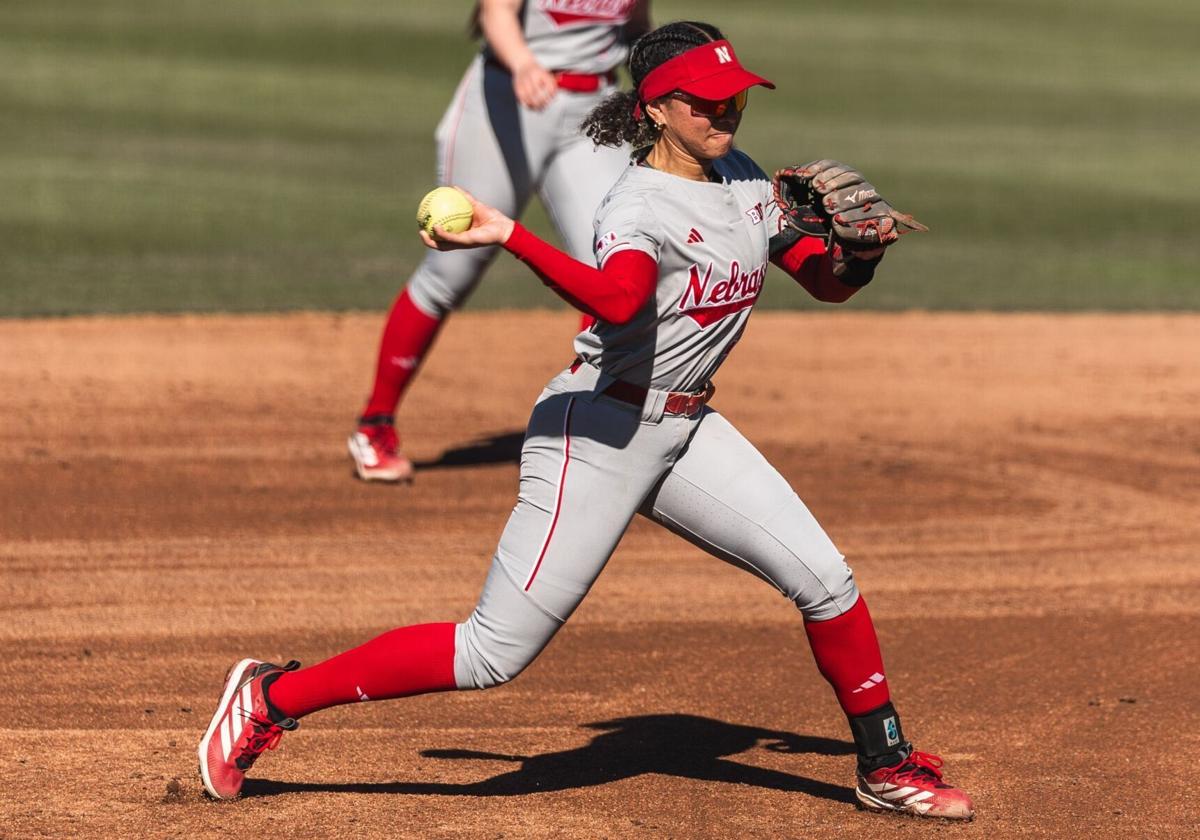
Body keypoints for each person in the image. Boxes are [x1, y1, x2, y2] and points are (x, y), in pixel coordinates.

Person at [199, 21, 975, 820]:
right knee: (490, 653)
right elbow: (617, 299)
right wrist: (506, 231)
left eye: (735, 95)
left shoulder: (742, 178)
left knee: (827, 583)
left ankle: (884, 764)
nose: (728, 113)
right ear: (658, 109)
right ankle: (271, 698)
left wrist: (862, 254)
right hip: (595, 435)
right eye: (707, 102)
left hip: (687, 429)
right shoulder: (637, 206)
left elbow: (826, 281)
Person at [347, 0, 652, 482]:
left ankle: (598, 422)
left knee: (608, 264)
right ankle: (375, 423)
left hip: (597, 109)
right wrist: (524, 63)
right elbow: (495, 12)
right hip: (509, 100)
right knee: (453, 269)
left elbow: (637, 26)